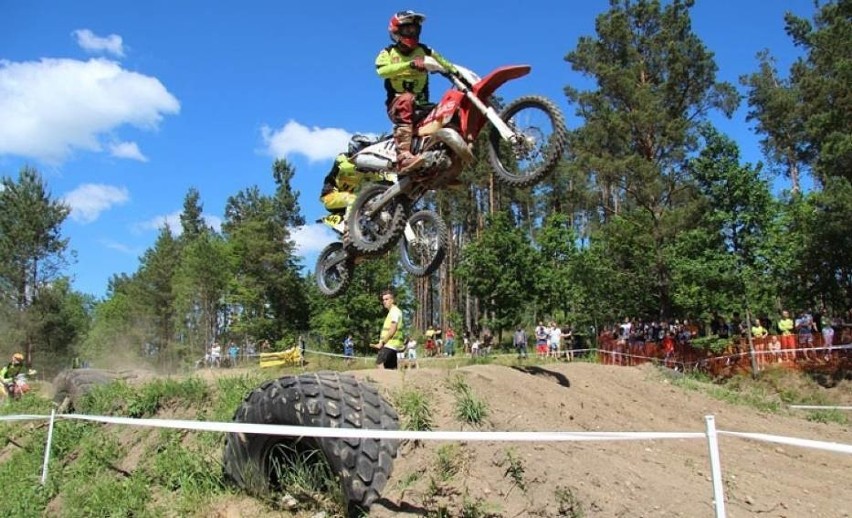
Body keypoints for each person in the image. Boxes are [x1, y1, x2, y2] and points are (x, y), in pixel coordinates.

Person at [375, 10, 456, 174]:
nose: (411, 33)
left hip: (422, 106)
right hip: (397, 106)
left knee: (451, 110)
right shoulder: (388, 53)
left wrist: (457, 73)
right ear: (396, 31)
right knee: (406, 98)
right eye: (407, 30)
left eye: (414, 29)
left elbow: (447, 64)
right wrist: (409, 64)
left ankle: (447, 163)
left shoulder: (425, 51)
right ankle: (403, 155)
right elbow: (381, 71)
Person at [372, 288, 403, 369]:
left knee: (379, 363)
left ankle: (382, 382)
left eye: (387, 299)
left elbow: (392, 330)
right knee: (391, 369)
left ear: (392, 300)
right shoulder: (394, 312)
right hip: (392, 346)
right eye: (383, 299)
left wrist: (382, 343)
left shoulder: (394, 312)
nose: (384, 301)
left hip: (389, 345)